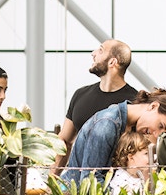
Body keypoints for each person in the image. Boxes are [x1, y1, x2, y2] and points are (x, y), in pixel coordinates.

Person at [61, 86, 166, 187]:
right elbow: (90, 181)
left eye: (162, 133)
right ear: (153, 106)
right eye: (160, 126)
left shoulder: (133, 128)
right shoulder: (107, 124)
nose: (156, 134)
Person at [53, 39, 137, 172]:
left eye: (100, 50)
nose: (93, 53)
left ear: (112, 62)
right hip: (77, 182)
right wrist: (52, 182)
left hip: (115, 186)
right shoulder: (80, 95)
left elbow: (138, 151)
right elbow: (64, 142)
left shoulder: (134, 102)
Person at [109, 131, 152, 195]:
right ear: (131, 157)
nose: (150, 157)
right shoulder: (121, 180)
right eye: (146, 154)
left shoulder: (141, 175)